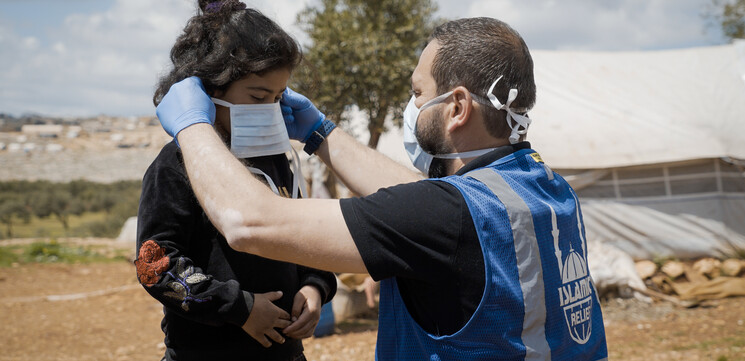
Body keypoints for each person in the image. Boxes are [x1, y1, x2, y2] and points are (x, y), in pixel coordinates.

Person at [156, 15, 608, 360]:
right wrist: (320, 134)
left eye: (416, 92)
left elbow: (249, 222)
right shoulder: (545, 188)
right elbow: (426, 202)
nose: (410, 106)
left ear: (456, 107)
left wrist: (193, 125)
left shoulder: (443, 216)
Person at [134, 1, 336, 360]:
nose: (270, 109)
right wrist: (240, 309)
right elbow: (156, 265)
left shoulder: (278, 159)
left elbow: (306, 236)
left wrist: (315, 286)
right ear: (209, 91)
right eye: (258, 96)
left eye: (277, 98)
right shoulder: (175, 166)